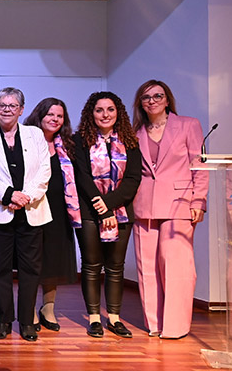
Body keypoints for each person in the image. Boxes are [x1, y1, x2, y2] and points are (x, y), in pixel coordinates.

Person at [0, 88, 51, 342]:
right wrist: (9, 195)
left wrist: (25, 196)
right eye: (2, 105)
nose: (7, 109)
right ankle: (4, 320)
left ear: (21, 109)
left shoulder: (35, 134)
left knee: (30, 269)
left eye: (13, 105)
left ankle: (27, 322)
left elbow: (44, 171)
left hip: (30, 210)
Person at [132, 80, 208, 339]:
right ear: (140, 103)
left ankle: (175, 327)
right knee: (147, 267)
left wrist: (199, 201)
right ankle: (155, 324)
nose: (152, 101)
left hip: (179, 203)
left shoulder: (188, 124)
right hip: (144, 206)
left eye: (157, 96)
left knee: (177, 267)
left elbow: (199, 165)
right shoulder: (136, 131)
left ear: (167, 99)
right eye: (146, 97)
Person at [72, 91, 141, 338]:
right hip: (89, 211)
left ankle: (114, 318)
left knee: (115, 267)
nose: (105, 114)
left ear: (118, 112)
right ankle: (93, 319)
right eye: (99, 110)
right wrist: (101, 208)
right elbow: (82, 177)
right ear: (91, 113)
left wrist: (110, 206)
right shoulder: (79, 140)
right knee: (92, 266)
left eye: (110, 109)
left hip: (120, 211)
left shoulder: (130, 140)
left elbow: (133, 178)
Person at [23, 97, 79, 332]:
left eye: (59, 116)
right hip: (33, 207)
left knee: (54, 259)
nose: (55, 119)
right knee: (33, 260)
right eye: (50, 115)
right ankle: (28, 309)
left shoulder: (68, 145)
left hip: (59, 209)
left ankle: (48, 307)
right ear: (40, 115)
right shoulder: (26, 139)